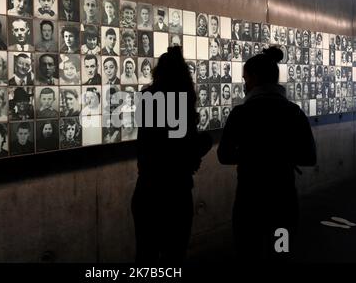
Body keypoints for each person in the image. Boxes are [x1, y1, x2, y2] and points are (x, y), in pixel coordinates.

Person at [217, 47, 317, 261]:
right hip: (283, 201)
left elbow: (224, 155)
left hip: (249, 202)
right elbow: (309, 157)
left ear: (253, 78)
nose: (244, 85)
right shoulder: (293, 112)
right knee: (281, 254)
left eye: (245, 79)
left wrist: (250, 155)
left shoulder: (241, 113)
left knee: (248, 254)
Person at [133, 46, 212, 263]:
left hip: (147, 188)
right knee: (174, 254)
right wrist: (204, 143)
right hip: (176, 190)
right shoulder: (182, 102)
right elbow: (182, 149)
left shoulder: (147, 98)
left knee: (146, 253)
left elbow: (149, 144)